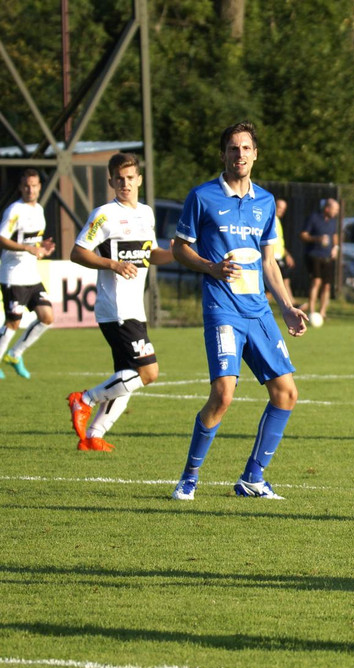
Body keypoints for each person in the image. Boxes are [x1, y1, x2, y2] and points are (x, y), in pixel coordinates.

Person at [168, 121, 307, 501]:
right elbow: (179, 248)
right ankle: (189, 476)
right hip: (222, 309)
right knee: (223, 395)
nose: (240, 154)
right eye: (233, 148)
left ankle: (252, 478)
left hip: (258, 311)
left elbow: (269, 262)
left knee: (286, 393)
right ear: (223, 154)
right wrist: (211, 267)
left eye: (246, 148)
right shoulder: (203, 196)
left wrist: (287, 307)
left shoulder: (265, 201)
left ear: (255, 154)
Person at [65, 153, 175, 451]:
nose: (125, 184)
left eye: (130, 178)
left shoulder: (147, 213)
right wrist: (112, 264)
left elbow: (151, 254)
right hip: (115, 308)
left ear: (139, 179)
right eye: (119, 179)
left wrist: (176, 253)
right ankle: (84, 399)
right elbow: (78, 252)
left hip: (134, 309)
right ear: (111, 181)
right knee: (147, 373)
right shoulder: (104, 214)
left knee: (126, 376)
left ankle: (94, 436)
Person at [0, 168, 56, 379]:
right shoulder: (14, 210)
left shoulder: (39, 210)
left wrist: (43, 246)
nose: (30, 189)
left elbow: (32, 241)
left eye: (33, 185)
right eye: (26, 186)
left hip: (31, 275)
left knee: (47, 317)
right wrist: (28, 249)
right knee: (13, 321)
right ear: (20, 188)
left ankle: (15, 354)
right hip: (12, 275)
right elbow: (2, 238)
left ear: (39, 187)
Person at [299, 198, 339, 323]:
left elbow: (335, 236)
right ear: (327, 208)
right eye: (335, 209)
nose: (336, 212)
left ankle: (322, 313)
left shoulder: (333, 222)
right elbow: (303, 235)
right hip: (314, 255)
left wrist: (335, 248)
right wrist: (317, 239)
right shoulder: (314, 218)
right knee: (316, 282)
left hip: (328, 257)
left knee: (327, 286)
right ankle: (311, 312)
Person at [266, 197, 295, 304]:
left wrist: (286, 254)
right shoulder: (270, 220)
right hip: (271, 258)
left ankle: (291, 304)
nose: (281, 210)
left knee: (285, 281)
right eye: (279, 207)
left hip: (279, 256)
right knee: (273, 286)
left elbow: (279, 241)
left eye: (284, 209)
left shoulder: (277, 220)